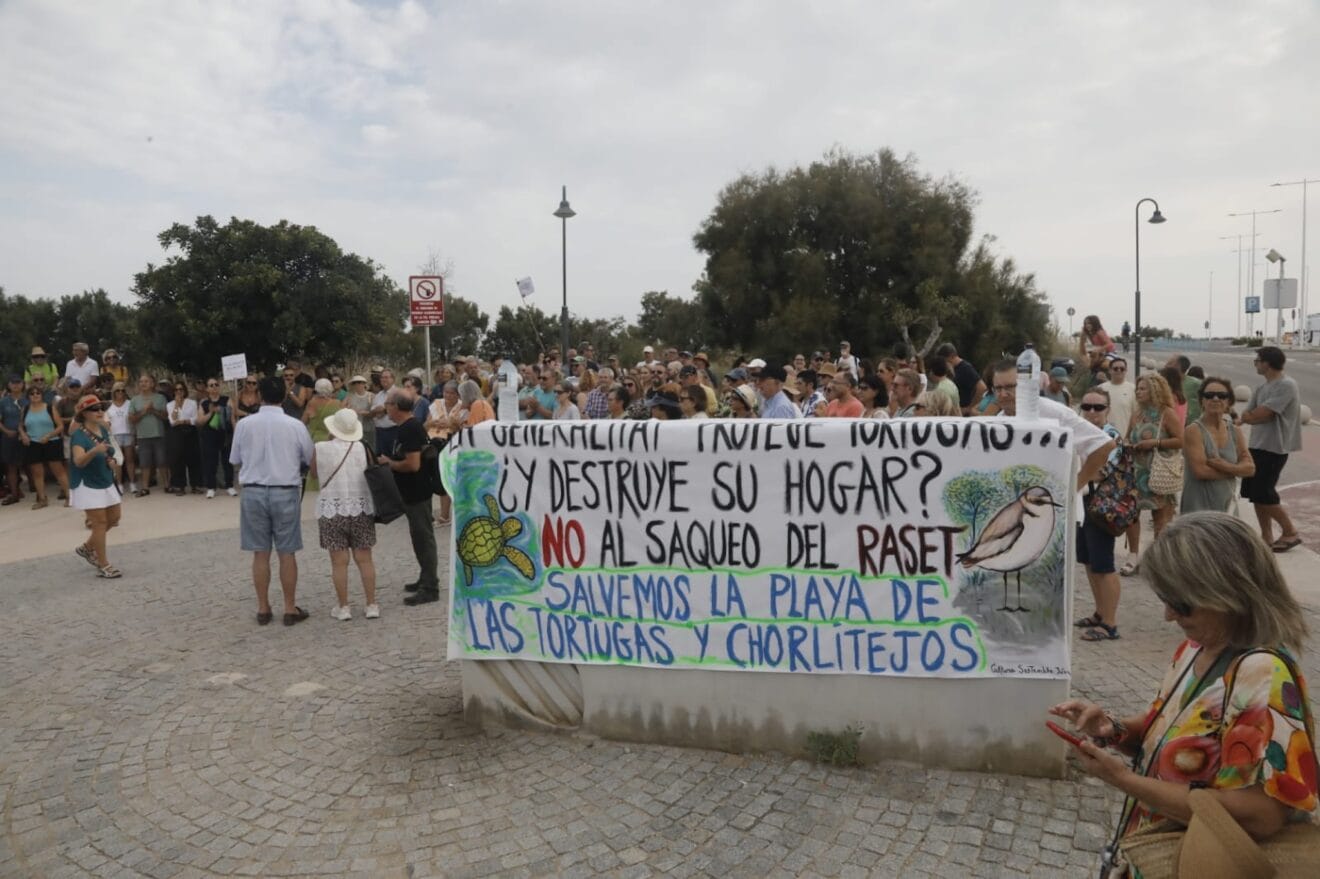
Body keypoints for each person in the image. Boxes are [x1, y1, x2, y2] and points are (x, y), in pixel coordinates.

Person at [1049, 513, 1317, 869]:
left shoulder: (1263, 676)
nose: (1168, 615)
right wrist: (1113, 730)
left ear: (1228, 592)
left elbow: (1262, 813)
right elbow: (1172, 731)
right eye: (1165, 597)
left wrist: (1125, 781)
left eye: (1181, 602)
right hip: (1162, 853)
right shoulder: (1196, 649)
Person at [229, 376, 314, 626]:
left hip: (253, 490)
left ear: (260, 396)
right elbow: (309, 457)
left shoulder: (244, 425)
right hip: (284, 489)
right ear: (285, 395)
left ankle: (263, 608)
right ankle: (289, 608)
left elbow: (235, 459)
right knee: (287, 552)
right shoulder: (295, 425)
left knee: (260, 553)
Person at [309, 408, 378, 621]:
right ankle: (371, 604)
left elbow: (313, 473)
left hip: (332, 508)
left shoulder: (320, 448)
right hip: (360, 506)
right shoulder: (362, 447)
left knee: (339, 562)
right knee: (365, 559)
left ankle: (344, 607)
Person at [377, 388, 439, 606]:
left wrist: (389, 463)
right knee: (418, 537)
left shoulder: (409, 429)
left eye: (388, 404)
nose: (386, 408)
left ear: (396, 406)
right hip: (411, 492)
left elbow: (413, 464)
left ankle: (430, 586)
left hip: (417, 491)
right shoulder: (406, 427)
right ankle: (425, 577)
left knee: (424, 538)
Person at [1073, 388, 1124, 642]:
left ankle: (1110, 622)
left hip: (1101, 505)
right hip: (1083, 502)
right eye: (1087, 406)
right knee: (1088, 560)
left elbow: (1099, 471)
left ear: (1108, 410)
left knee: (1104, 564)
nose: (1092, 412)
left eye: (1098, 407)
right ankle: (1100, 612)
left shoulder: (1110, 436)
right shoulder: (1081, 434)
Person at [1240, 346, 1303, 552]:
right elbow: (1248, 414)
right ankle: (1266, 536)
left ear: (1267, 362)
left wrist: (1253, 416)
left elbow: (1264, 414)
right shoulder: (1261, 388)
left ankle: (1290, 532)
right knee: (1255, 494)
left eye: (1257, 361)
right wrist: (1252, 416)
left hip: (1275, 447)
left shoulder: (1286, 385)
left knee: (1264, 492)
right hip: (1256, 445)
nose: (1256, 364)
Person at [1120, 373, 1184, 576]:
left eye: (1143, 388)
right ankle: (1133, 555)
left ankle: (1159, 561)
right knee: (1132, 516)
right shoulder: (1137, 414)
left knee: (1161, 517)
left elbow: (1181, 440)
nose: (1138, 392)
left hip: (1157, 472)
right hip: (1136, 471)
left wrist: (1155, 443)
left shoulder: (1167, 414)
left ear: (1155, 390)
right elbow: (1127, 437)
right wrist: (1127, 445)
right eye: (1137, 388)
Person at [69, 395, 124, 578]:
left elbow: (110, 451)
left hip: (105, 479)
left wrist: (112, 460)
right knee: (99, 523)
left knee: (114, 517)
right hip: (87, 484)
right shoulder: (77, 436)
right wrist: (94, 451)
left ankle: (87, 547)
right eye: (95, 409)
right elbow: (78, 461)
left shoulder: (103, 428)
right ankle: (104, 564)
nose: (100, 411)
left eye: (101, 408)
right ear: (84, 413)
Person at [1182, 377, 1254, 515]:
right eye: (1209, 395)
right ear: (1202, 401)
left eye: (1222, 395)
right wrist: (1237, 470)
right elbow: (1201, 472)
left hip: (1227, 506)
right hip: (1198, 507)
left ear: (1229, 402)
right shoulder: (1193, 430)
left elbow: (1250, 469)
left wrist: (1224, 466)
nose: (1215, 399)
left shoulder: (1235, 431)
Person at [20, 382, 70, 509]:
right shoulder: (25, 409)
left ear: (41, 395)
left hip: (52, 442)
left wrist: (49, 435)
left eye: (37, 393)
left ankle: (70, 496)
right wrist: (23, 435)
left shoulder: (49, 407)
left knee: (58, 470)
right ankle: (42, 499)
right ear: (28, 396)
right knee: (37, 473)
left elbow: (60, 426)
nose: (35, 395)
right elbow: (20, 425)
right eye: (32, 393)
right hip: (33, 443)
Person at [128, 374, 168, 496]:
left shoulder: (160, 398)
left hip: (158, 435)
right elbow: (132, 419)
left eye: (146, 381)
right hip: (142, 436)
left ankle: (167, 485)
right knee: (145, 463)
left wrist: (153, 411)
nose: (143, 384)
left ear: (152, 384)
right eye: (141, 382)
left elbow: (166, 417)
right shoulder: (134, 400)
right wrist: (145, 411)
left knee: (162, 461)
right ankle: (145, 488)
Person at [197, 377, 236, 498]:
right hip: (209, 435)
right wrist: (211, 412)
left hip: (225, 434)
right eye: (211, 385)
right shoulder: (204, 403)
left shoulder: (227, 399)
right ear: (207, 388)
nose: (214, 387)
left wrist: (236, 433)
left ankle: (230, 486)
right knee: (210, 461)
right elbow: (200, 421)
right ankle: (211, 487)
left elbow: (232, 417)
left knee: (227, 461)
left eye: (216, 384)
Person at [302, 378, 341, 492]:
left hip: (315, 440)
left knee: (314, 470)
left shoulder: (311, 402)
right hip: (331, 439)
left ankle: (313, 491)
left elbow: (303, 421)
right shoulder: (337, 403)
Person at [165, 380, 200, 494]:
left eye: (181, 389)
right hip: (177, 433)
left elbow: (195, 419)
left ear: (184, 390)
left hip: (190, 430)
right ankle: (180, 486)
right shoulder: (170, 405)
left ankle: (195, 485)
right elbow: (173, 421)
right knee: (178, 459)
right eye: (176, 390)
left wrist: (185, 421)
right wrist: (176, 404)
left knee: (193, 458)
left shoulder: (192, 403)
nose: (179, 392)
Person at [1, 375, 28, 505]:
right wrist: (6, 431)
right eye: (13, 383)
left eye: (18, 383)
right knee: (11, 466)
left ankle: (38, 491)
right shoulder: (3, 401)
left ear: (23, 384)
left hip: (27, 436)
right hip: (9, 437)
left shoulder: (29, 399)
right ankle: (14, 494)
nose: (16, 385)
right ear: (9, 385)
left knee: (30, 464)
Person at [104, 381, 135, 495]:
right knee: (118, 462)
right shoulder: (109, 406)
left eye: (122, 390)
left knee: (130, 460)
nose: (120, 392)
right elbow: (107, 422)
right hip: (115, 436)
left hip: (128, 433)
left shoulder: (130, 403)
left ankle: (132, 483)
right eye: (117, 390)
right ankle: (120, 484)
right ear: (113, 392)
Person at [1099, 356, 1135, 436]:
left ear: (1126, 371)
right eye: (1115, 368)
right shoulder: (1101, 389)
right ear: (1110, 371)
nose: (1119, 370)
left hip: (1125, 437)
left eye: (1122, 369)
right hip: (1103, 436)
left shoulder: (1133, 389)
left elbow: (1136, 415)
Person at [369, 369, 398, 454]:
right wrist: (383, 409)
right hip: (379, 432)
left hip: (393, 431)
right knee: (381, 458)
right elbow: (373, 412)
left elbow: (395, 409)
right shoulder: (378, 395)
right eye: (382, 377)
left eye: (386, 377)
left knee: (393, 456)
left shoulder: (397, 393)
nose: (383, 379)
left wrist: (384, 410)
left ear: (393, 379)